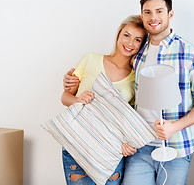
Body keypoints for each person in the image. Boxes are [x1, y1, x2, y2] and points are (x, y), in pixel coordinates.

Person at [64, 0, 194, 185]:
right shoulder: (137, 53)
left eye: (159, 11)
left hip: (176, 146)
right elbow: (120, 93)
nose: (153, 17)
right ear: (142, 15)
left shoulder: (190, 52)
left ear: (170, 14)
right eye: (147, 12)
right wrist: (72, 82)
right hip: (140, 146)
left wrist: (174, 127)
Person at [60, 15, 147, 185]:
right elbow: (65, 97)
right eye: (127, 35)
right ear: (118, 35)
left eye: (137, 39)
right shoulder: (90, 59)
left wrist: (127, 143)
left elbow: (128, 120)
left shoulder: (136, 78)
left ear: (142, 45)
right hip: (78, 144)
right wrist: (78, 100)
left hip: (111, 150)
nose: (130, 43)